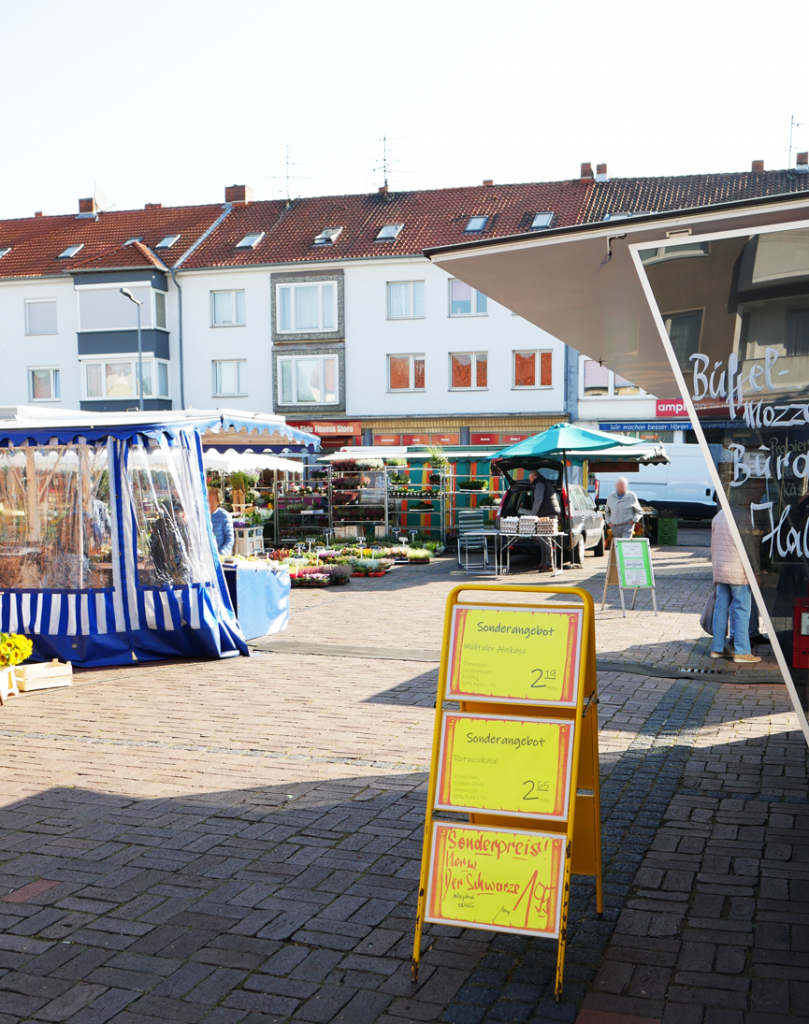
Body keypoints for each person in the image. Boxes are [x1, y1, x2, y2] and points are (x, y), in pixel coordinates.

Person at [710, 504, 761, 664]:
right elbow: (749, 547)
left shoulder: (718, 516)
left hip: (721, 568)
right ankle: (742, 651)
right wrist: (756, 570)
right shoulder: (742, 515)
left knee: (720, 607)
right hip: (738, 569)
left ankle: (717, 648)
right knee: (741, 608)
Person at [527, 470, 561, 572]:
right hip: (549, 512)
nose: (530, 482)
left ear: (533, 477)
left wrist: (532, 515)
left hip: (547, 514)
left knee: (546, 539)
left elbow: (538, 499)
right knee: (543, 539)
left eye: (530, 479)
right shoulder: (544, 482)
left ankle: (549, 564)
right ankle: (543, 563)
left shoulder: (539, 483)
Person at [208, 486, 234, 557]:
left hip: (221, 556)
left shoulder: (225, 516)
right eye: (207, 501)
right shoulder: (202, 516)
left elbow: (230, 539)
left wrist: (222, 553)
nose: (209, 504)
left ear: (218, 502)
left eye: (212, 501)